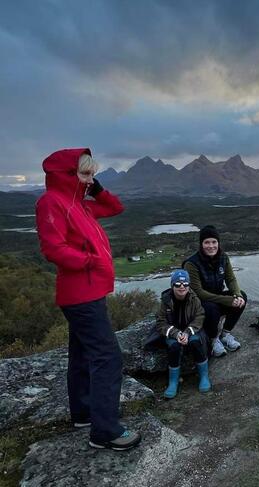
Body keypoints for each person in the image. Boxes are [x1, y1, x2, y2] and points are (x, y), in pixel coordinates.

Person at [35, 148, 141, 451]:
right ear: (65, 175)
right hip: (80, 293)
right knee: (108, 358)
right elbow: (52, 249)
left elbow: (116, 208)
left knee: (82, 354)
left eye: (92, 174)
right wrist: (90, 261)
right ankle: (105, 432)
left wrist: (98, 189)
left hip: (88, 292)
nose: (89, 179)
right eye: (85, 174)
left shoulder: (80, 204)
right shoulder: (51, 202)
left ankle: (83, 415)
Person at [183, 225, 247, 357]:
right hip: (198, 303)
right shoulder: (191, 264)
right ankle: (213, 339)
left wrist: (237, 294)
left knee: (243, 297)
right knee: (212, 308)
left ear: (218, 243)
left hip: (216, 298)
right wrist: (228, 300)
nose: (211, 246)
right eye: (207, 242)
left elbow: (231, 279)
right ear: (201, 244)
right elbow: (199, 292)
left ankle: (225, 334)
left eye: (214, 242)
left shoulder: (223, 257)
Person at [156, 269, 211, 398]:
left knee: (196, 342)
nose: (182, 287)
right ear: (172, 285)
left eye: (185, 284)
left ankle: (204, 376)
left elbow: (200, 317)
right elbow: (161, 322)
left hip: (191, 330)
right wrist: (176, 334)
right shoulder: (165, 300)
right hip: (173, 332)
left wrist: (187, 332)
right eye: (178, 284)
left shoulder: (194, 299)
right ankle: (173, 382)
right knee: (174, 347)